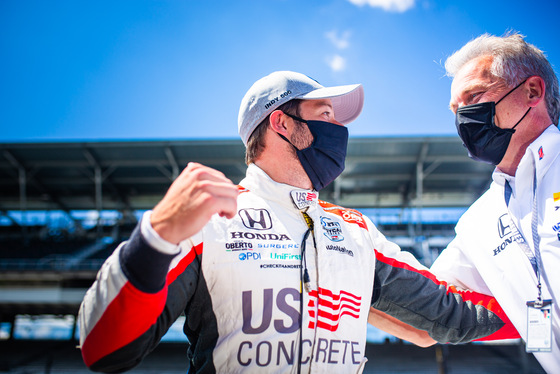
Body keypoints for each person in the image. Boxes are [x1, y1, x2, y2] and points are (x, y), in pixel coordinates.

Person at [78, 70, 517, 373]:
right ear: (282, 123)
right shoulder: (210, 220)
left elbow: (453, 312)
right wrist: (155, 236)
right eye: (325, 114)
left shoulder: (356, 233)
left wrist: (545, 320)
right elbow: (104, 350)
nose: (338, 129)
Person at [429, 32, 560, 372]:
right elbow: (425, 305)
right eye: (456, 109)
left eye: (474, 97)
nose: (463, 118)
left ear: (532, 91)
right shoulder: (477, 222)